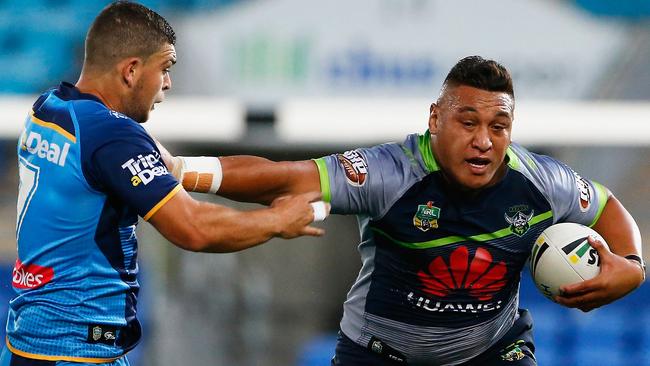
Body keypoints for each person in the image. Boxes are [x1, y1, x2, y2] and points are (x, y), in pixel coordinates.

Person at [167, 56, 645, 365]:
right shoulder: (388, 174)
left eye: (499, 126)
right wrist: (183, 170)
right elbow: (285, 176)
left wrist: (633, 267)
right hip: (378, 353)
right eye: (468, 121)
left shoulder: (540, 182)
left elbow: (605, 204)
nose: (484, 140)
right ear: (435, 118)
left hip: (490, 351)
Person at [2, 2, 327, 365]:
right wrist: (278, 221)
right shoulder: (113, 136)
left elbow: (173, 168)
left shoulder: (51, 107)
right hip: (77, 351)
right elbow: (194, 229)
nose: (168, 84)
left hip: (27, 342)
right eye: (165, 69)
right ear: (131, 71)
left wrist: (290, 179)